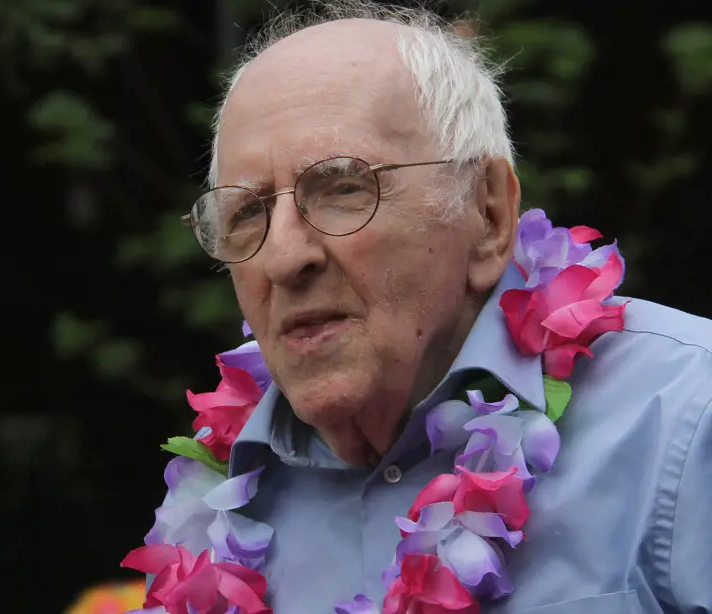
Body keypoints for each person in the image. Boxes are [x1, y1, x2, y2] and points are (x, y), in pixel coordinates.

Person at [126, 2, 712, 613]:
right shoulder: (209, 520)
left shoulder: (686, 421)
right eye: (247, 212)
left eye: (343, 188)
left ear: (487, 214)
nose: (281, 257)